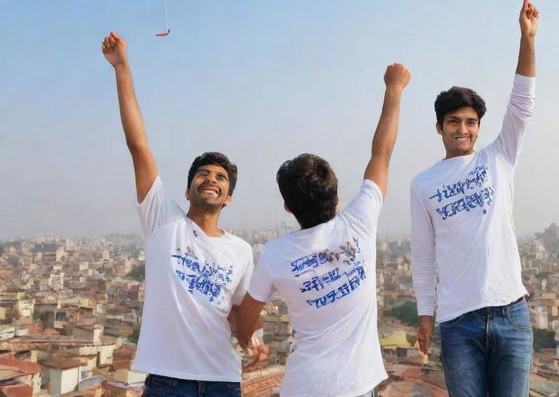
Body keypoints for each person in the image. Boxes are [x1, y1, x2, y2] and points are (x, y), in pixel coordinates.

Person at [235, 63, 411, 397]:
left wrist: (249, 339)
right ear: (337, 197)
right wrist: (394, 90)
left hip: (303, 386)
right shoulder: (359, 222)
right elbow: (382, 153)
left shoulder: (275, 254)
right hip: (356, 386)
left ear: (288, 208)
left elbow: (246, 321)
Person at [102, 31, 254, 397]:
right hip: (168, 382)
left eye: (220, 178)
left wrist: (256, 341)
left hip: (223, 380)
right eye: (203, 174)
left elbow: (238, 315)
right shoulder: (163, 223)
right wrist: (122, 68)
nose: (211, 179)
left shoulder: (242, 251)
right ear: (187, 190)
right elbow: (138, 147)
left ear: (228, 197)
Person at [411, 0, 539, 397]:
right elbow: (423, 255)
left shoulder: (498, 158)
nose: (462, 129)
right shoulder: (423, 183)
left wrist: (528, 40)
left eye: (470, 122)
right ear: (439, 127)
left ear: (479, 128)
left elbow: (521, 106)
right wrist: (425, 317)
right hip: (457, 322)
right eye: (454, 122)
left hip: (511, 313)